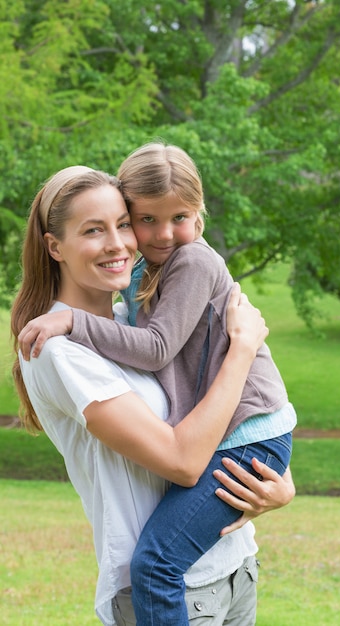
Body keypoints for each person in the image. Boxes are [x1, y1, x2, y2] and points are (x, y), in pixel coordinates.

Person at [18, 145, 297, 626]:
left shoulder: (127, 316)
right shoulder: (60, 349)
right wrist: (243, 351)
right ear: (53, 246)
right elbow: (185, 462)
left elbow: (182, 376)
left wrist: (281, 486)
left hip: (233, 570)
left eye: (123, 225)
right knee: (155, 564)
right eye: (94, 230)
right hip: (174, 593)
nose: (122, 243)